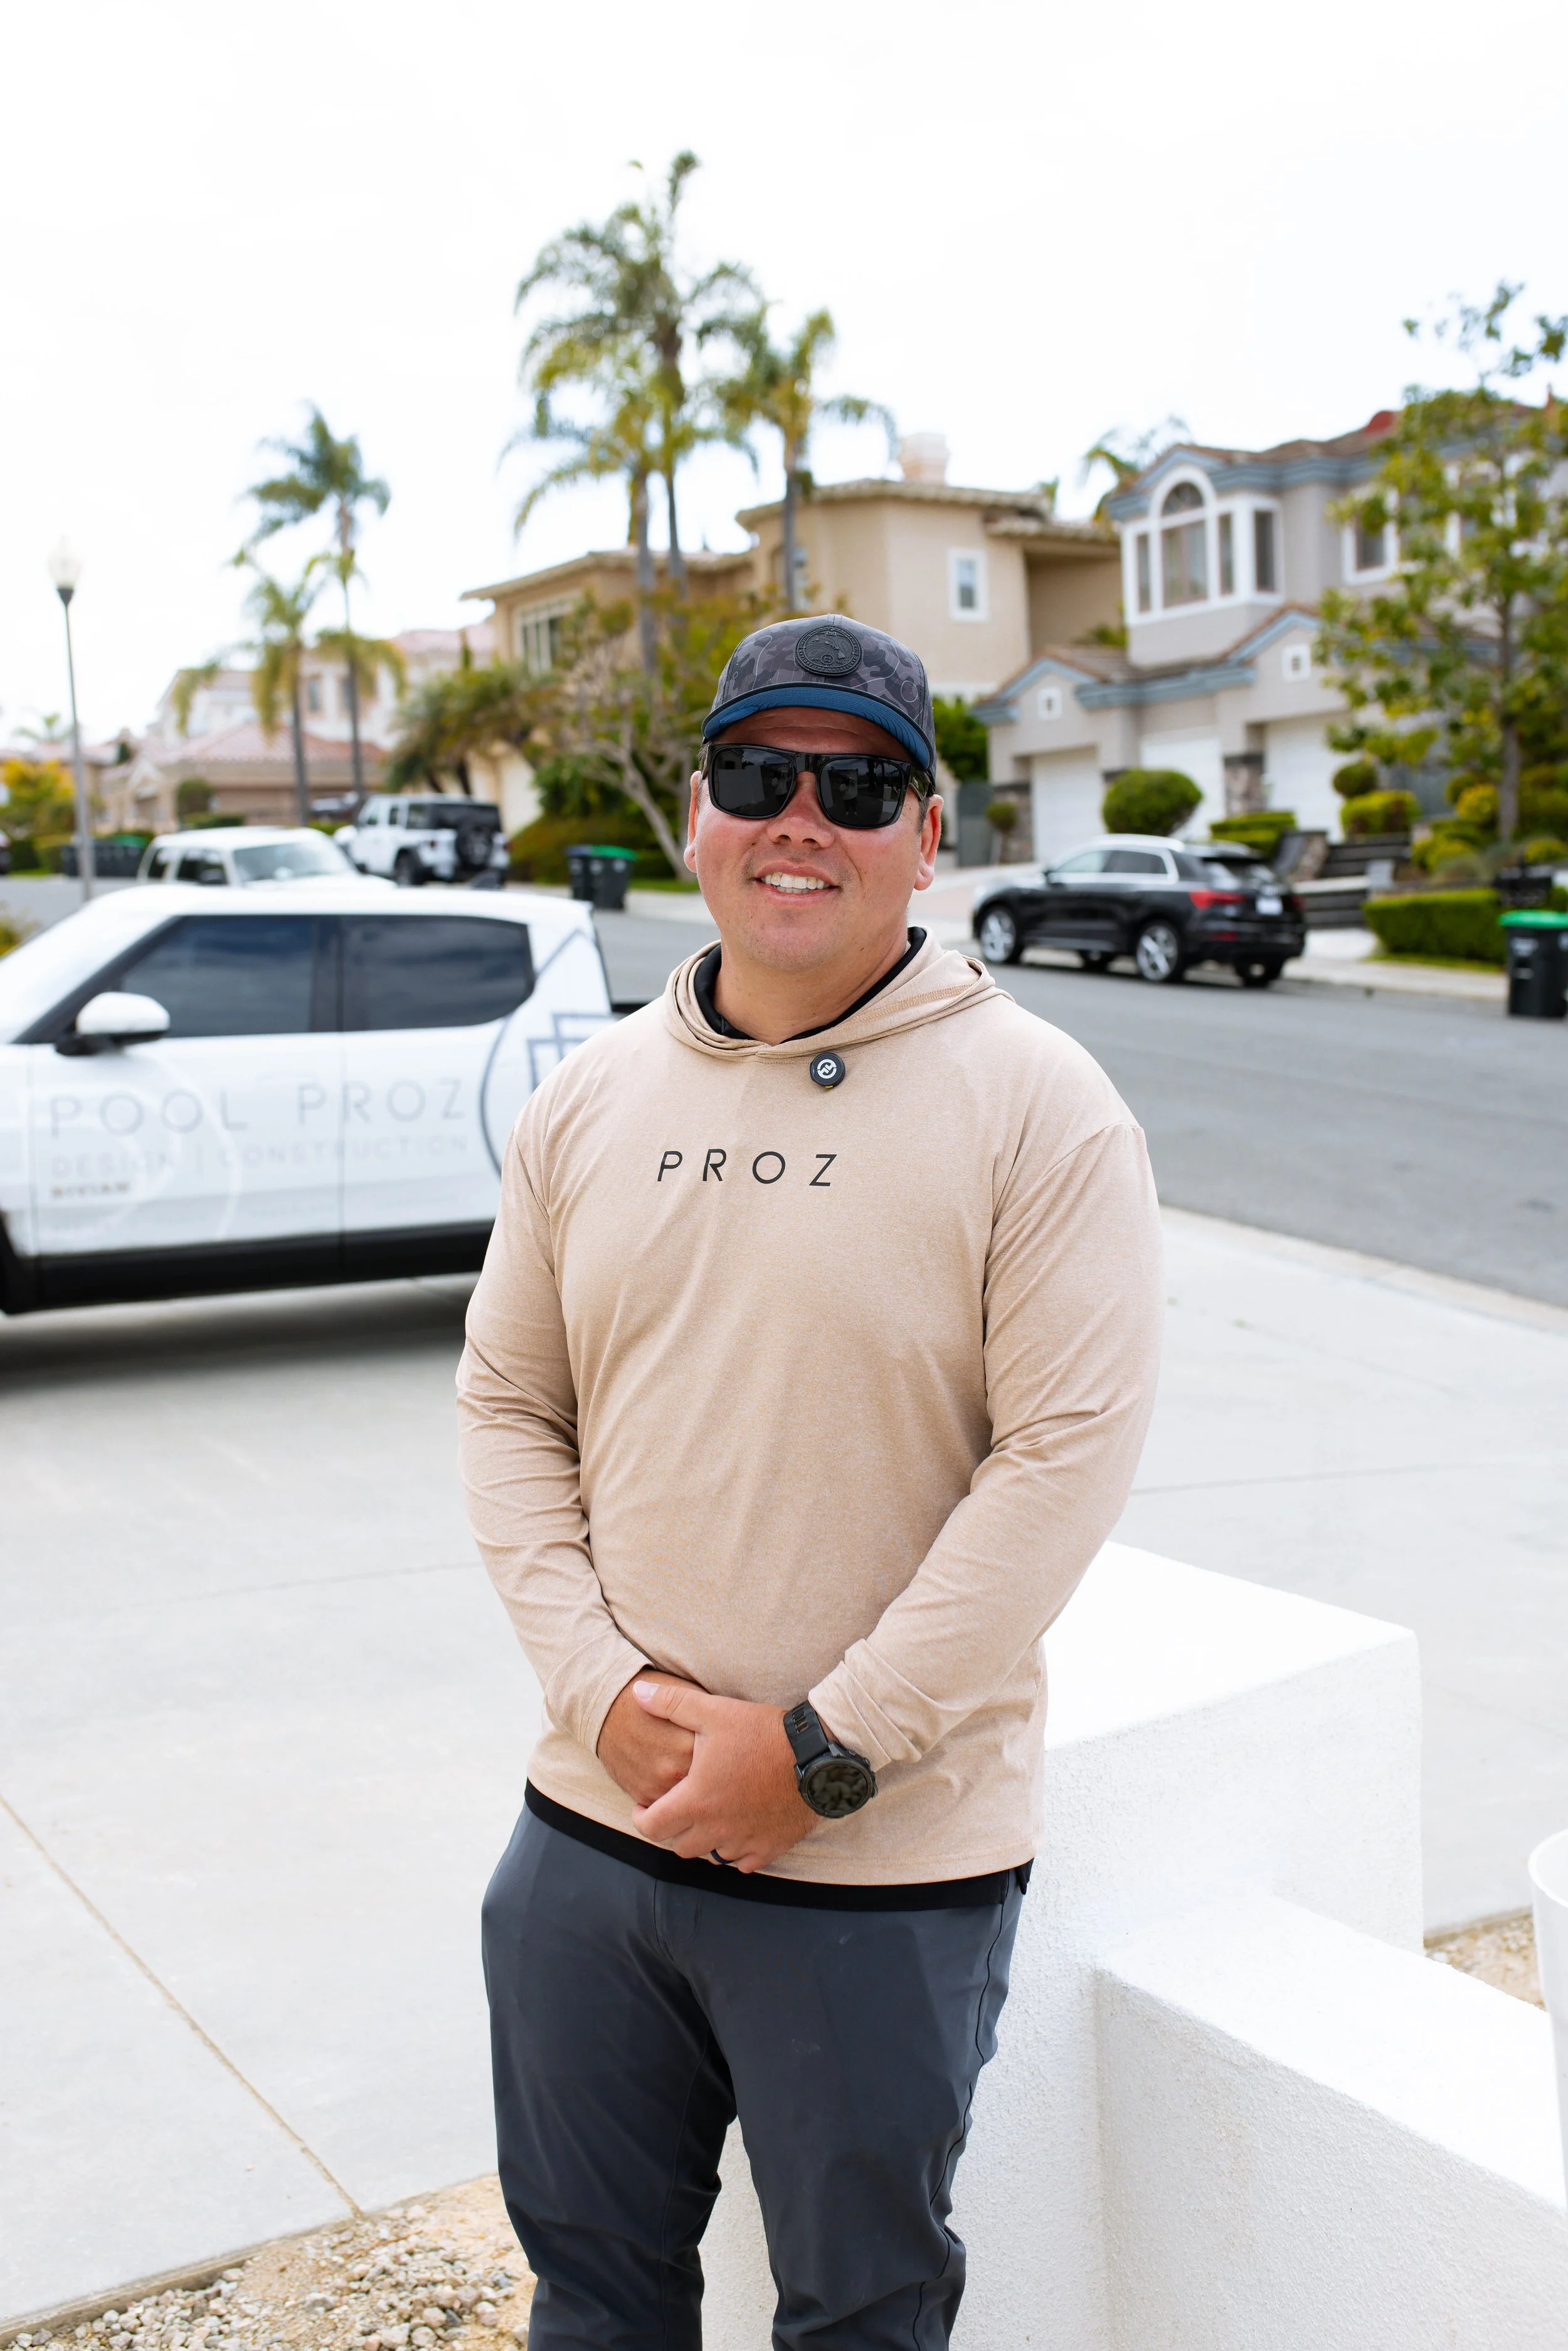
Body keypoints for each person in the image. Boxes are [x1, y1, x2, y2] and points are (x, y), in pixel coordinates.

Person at [458, 614, 1163, 2350]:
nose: (801, 819)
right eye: (762, 775)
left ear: (929, 836)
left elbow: (1062, 1457)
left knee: (861, 2307)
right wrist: (599, 1685)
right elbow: (505, 1405)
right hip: (588, 1834)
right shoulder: (589, 1097)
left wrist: (823, 1750)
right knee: (592, 2294)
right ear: (699, 810)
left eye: (856, 785)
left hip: (878, 1864)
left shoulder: (1042, 1108)